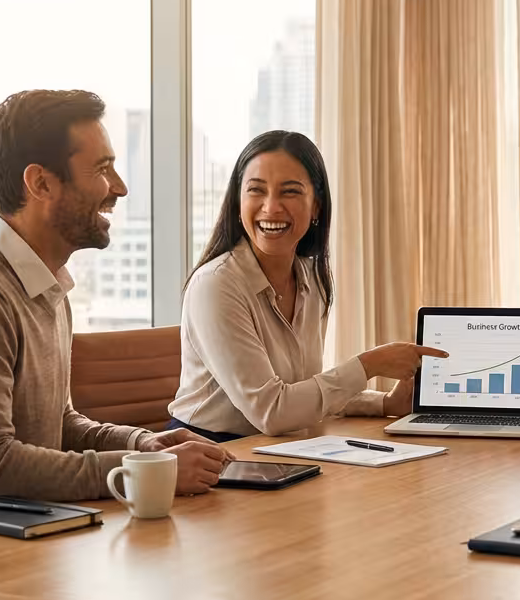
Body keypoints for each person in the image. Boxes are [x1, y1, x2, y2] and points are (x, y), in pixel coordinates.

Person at [0, 90, 230, 517]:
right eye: (102, 169)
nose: (120, 188)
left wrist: (142, 444)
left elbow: (56, 425)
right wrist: (137, 470)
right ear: (41, 183)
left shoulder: (46, 282)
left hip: (14, 528)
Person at [167, 130, 447, 440]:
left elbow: (302, 391)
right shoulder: (216, 285)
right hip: (208, 452)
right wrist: (369, 365)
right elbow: (272, 412)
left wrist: (385, 402)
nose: (271, 208)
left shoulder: (311, 278)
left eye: (289, 192)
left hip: (280, 446)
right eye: (256, 190)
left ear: (316, 207)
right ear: (237, 201)